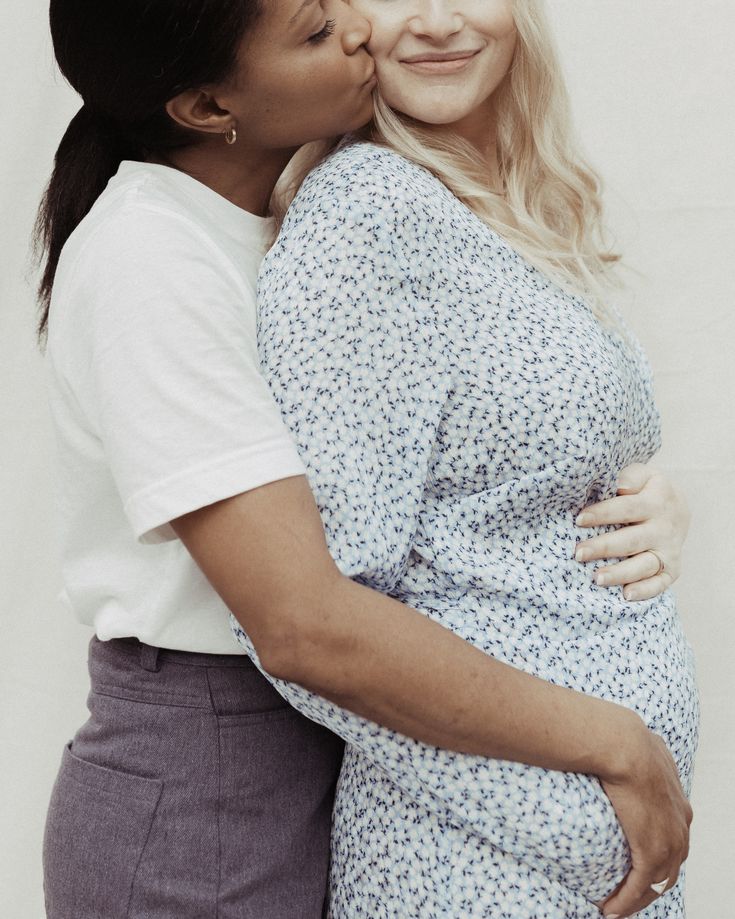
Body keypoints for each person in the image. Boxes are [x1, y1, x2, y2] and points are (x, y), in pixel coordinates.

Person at [36, 0, 691, 917]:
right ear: (205, 106)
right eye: (312, 34)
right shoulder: (154, 259)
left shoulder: (268, 223)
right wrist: (615, 746)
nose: (356, 33)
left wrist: (629, 502)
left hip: (310, 756)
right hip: (210, 791)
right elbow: (305, 626)